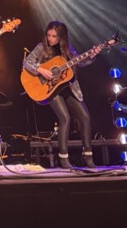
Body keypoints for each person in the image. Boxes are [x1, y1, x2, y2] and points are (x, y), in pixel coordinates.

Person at [23, 21, 101, 168]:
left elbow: (81, 62)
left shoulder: (68, 49)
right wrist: (41, 70)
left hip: (68, 87)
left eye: (54, 36)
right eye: (48, 35)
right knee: (65, 118)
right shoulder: (41, 48)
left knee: (85, 117)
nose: (50, 39)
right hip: (50, 89)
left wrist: (92, 56)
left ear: (61, 37)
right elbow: (27, 63)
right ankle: (63, 158)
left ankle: (88, 156)